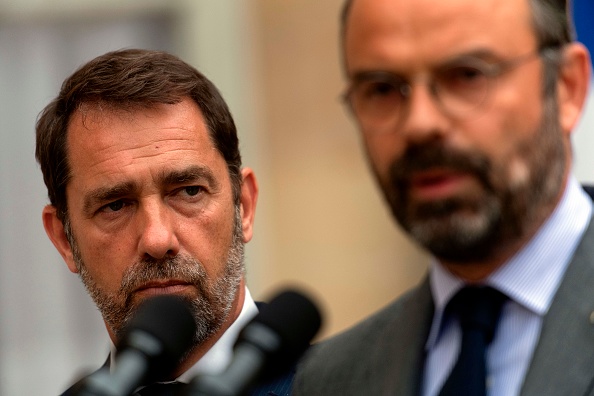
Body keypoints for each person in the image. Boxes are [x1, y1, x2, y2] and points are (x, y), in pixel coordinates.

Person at [293, 0, 592, 395]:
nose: (420, 123)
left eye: (467, 75)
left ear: (566, 87)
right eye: (381, 89)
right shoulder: (331, 379)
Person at [35, 49, 292, 395]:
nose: (157, 240)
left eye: (188, 191)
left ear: (243, 206)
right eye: (115, 206)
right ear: (64, 240)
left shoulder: (345, 383)